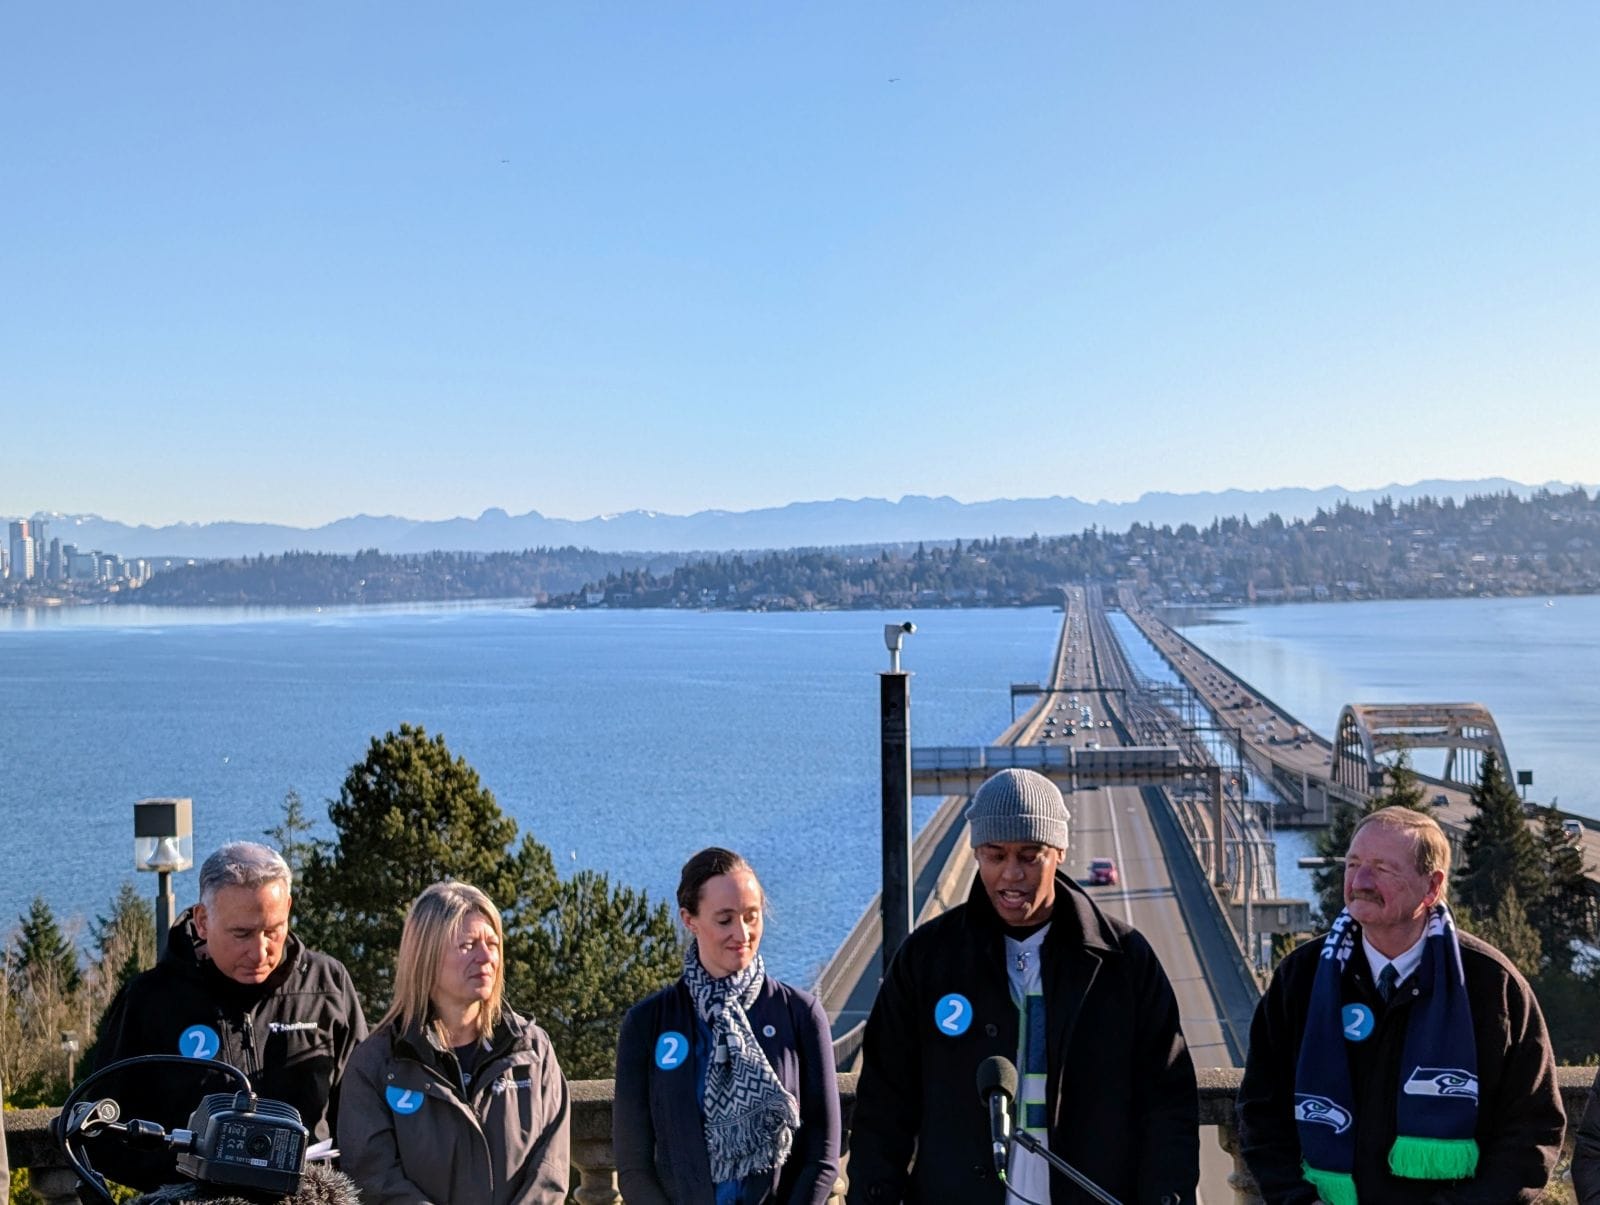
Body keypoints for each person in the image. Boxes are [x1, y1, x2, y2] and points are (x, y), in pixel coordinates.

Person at [847, 768, 1199, 1204]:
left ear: (1060, 852)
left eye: (1030, 855)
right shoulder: (926, 959)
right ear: (976, 852)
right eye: (995, 856)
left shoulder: (1123, 960)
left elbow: (1167, 1101)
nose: (1011, 875)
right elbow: (883, 1104)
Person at [1237, 806, 1565, 1204]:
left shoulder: (1491, 984)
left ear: (1431, 887)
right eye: (1352, 863)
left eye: (1382, 868)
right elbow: (1261, 1111)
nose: (1359, 881)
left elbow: (1532, 1126)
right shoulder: (1300, 978)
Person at [89, 842, 367, 1190]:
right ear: (202, 921)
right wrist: (190, 1173)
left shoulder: (328, 984)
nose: (261, 950)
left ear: (289, 909)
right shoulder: (150, 1000)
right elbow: (98, 1130)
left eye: (273, 930)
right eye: (243, 934)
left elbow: (365, 1112)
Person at [614, 847, 841, 1203]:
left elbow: (823, 1154)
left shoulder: (800, 1015)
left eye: (752, 916)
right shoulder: (647, 1024)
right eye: (725, 919)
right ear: (690, 920)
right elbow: (632, 1165)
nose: (743, 933)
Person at [338, 880, 569, 1204]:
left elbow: (550, 1171)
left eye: (493, 943)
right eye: (468, 945)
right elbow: (375, 1180)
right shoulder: (376, 1064)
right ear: (426, 956)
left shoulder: (532, 1050)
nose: (487, 957)